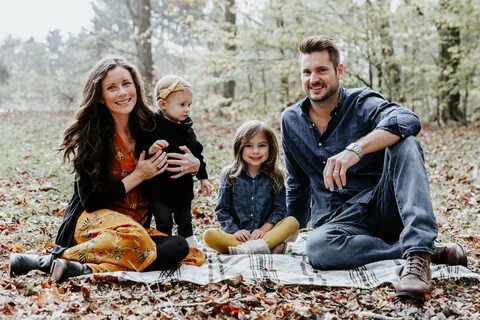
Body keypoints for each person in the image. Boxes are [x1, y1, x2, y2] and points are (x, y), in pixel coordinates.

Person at [281, 35, 468, 301]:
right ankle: (424, 249)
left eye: (322, 70)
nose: (314, 79)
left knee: (405, 143)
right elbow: (297, 184)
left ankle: (418, 259)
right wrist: (283, 230)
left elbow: (406, 119)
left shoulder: (362, 103)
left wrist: (354, 150)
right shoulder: (290, 121)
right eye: (307, 72)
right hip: (338, 224)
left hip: (382, 207)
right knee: (317, 249)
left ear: (339, 70)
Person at [9, 57, 203, 282]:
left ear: (136, 87)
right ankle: (48, 261)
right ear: (101, 96)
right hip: (93, 224)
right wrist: (139, 175)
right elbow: (90, 200)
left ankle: (81, 269)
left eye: (126, 84)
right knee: (137, 243)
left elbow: (186, 142)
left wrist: (196, 165)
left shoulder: (150, 126)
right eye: (112, 87)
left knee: (179, 247)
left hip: (134, 229)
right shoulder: (92, 136)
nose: (122, 92)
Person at [136, 75, 212, 248]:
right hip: (158, 186)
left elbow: (197, 153)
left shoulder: (186, 128)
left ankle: (189, 239)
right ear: (163, 104)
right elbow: (141, 145)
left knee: (184, 216)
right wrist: (151, 148)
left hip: (182, 186)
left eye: (189, 105)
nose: (187, 110)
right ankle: (166, 242)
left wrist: (203, 177)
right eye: (182, 105)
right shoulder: (152, 124)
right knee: (163, 218)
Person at [204, 120, 299, 254]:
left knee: (292, 223)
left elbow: (280, 209)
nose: (255, 151)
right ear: (239, 147)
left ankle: (248, 249)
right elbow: (222, 210)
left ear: (270, 148)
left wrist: (263, 230)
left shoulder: (276, 176)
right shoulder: (230, 175)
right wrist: (235, 231)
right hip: (238, 237)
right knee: (209, 235)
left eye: (262, 145)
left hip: (265, 234)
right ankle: (266, 247)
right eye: (248, 145)